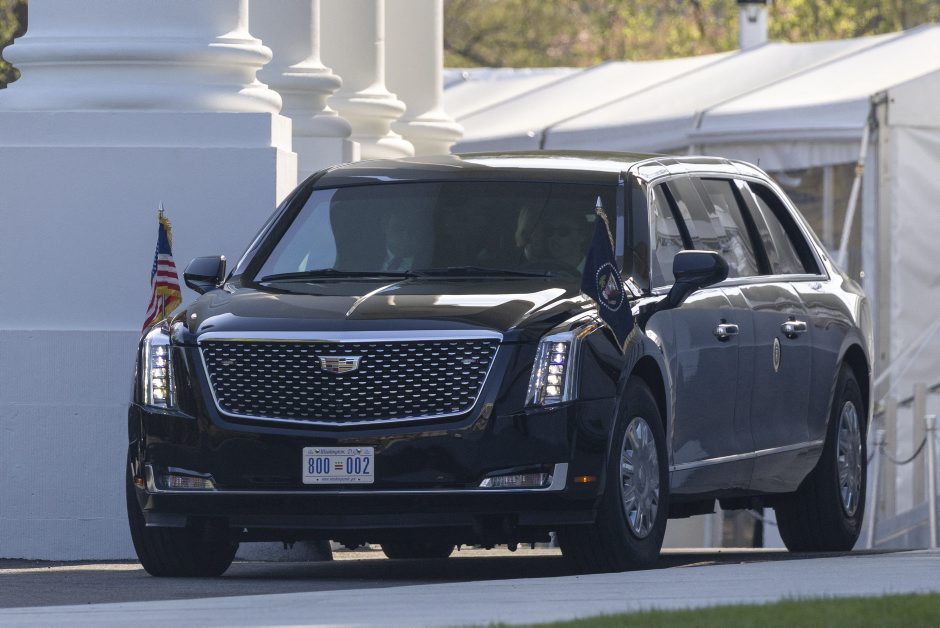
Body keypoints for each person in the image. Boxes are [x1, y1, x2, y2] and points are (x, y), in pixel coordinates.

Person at [515, 204, 592, 274]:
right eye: (550, 231)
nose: (554, 237)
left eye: (563, 231)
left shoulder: (595, 270)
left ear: (582, 236)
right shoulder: (537, 270)